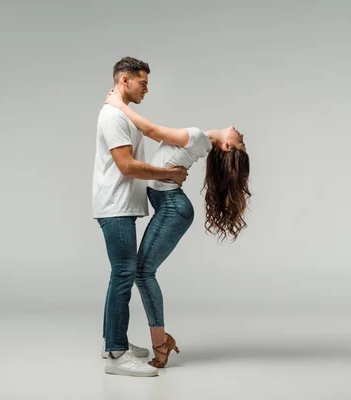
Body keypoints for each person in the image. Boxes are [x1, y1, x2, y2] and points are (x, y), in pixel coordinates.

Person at [104, 88, 251, 368]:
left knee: (142, 273)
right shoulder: (201, 142)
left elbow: (149, 129)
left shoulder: (196, 137)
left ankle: (160, 343)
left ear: (227, 147)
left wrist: (117, 104)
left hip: (173, 208)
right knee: (141, 272)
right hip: (172, 207)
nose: (243, 137)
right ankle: (158, 342)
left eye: (241, 144)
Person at [93, 57, 188, 377]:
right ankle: (117, 355)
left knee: (120, 274)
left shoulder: (123, 114)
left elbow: (151, 133)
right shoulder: (113, 117)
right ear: (124, 81)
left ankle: (113, 341)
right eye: (142, 83)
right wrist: (169, 174)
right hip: (116, 206)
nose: (146, 89)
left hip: (122, 205)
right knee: (123, 274)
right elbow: (127, 166)